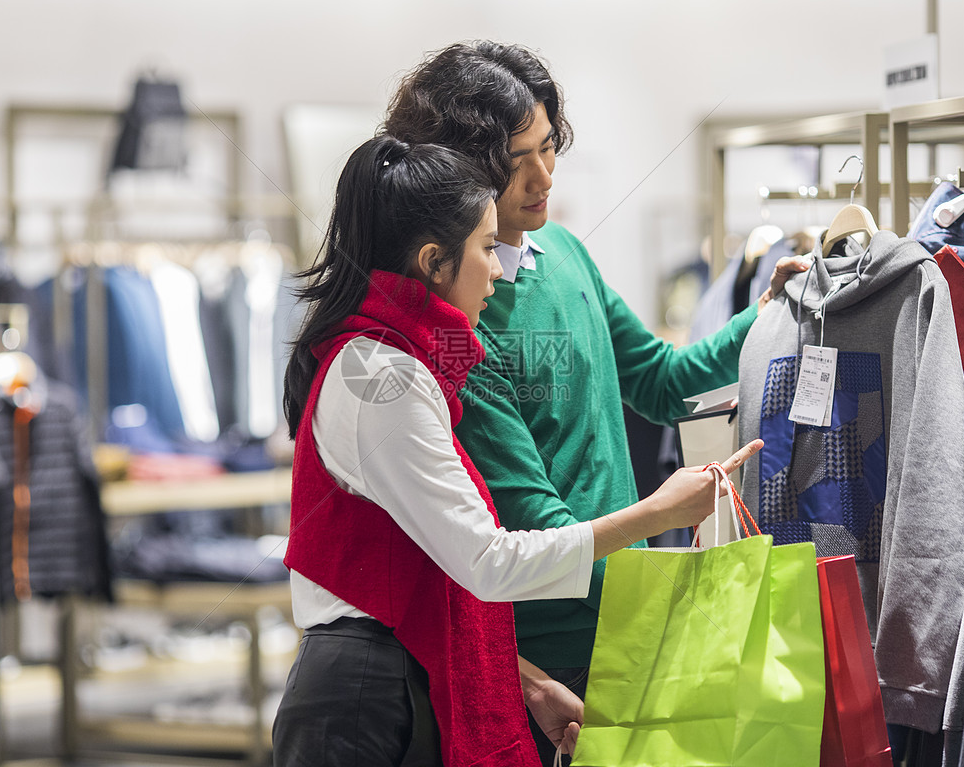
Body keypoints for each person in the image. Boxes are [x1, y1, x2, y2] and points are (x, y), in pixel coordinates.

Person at [273, 133, 762, 766]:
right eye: (484, 247)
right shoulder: (384, 380)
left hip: (410, 666)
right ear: (432, 261)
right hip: (368, 692)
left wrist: (524, 682)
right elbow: (487, 558)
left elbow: (440, 567)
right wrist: (658, 517)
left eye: (549, 146)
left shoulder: (409, 356)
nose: (500, 268)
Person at [384, 41, 808, 764]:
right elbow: (530, 518)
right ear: (459, 167)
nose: (543, 175)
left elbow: (663, 379)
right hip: (549, 657)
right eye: (517, 160)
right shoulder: (458, 321)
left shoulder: (567, 255)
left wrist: (764, 310)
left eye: (550, 148)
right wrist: (675, 596)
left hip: (631, 618)